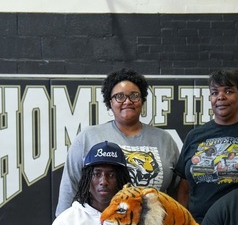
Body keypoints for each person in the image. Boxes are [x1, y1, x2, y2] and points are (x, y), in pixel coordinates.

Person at [55, 68, 180, 216]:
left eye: (134, 95)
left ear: (142, 100)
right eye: (119, 96)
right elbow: (69, 189)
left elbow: (178, 192)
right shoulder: (88, 137)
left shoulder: (164, 139)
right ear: (110, 102)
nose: (127, 101)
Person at [174, 68, 238, 222]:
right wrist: (183, 223)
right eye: (214, 93)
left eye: (228, 91)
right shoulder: (195, 136)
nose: (220, 97)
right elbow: (184, 189)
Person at [40, 141, 132, 225]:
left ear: (122, 180)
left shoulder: (136, 222)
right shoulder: (66, 221)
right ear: (86, 180)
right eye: (97, 174)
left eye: (111, 175)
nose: (104, 181)